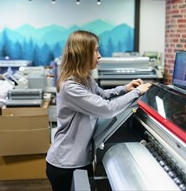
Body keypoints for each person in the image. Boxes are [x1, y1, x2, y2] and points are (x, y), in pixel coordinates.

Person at [45, 30, 151, 191]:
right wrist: (137, 92)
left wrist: (125, 89)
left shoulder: (85, 79)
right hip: (66, 163)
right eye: (95, 50)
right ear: (83, 53)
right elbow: (106, 109)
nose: (99, 55)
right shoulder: (70, 87)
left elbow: (103, 95)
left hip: (81, 158)